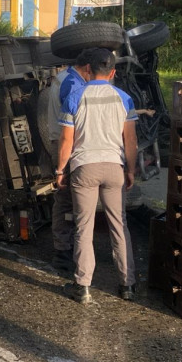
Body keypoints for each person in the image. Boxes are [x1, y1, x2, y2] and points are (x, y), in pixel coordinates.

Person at [55, 48, 138, 304]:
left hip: (84, 168)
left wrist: (60, 170)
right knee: (119, 225)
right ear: (113, 72)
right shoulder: (124, 98)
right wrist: (131, 169)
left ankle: (82, 286)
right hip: (114, 167)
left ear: (88, 70)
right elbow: (131, 140)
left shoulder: (75, 96)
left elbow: (67, 140)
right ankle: (127, 285)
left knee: (83, 226)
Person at [39, 51, 91, 274]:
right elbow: (75, 123)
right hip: (66, 143)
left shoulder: (65, 77)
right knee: (66, 196)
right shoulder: (72, 84)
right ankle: (63, 251)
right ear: (88, 68)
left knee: (66, 196)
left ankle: (66, 247)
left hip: (61, 141)